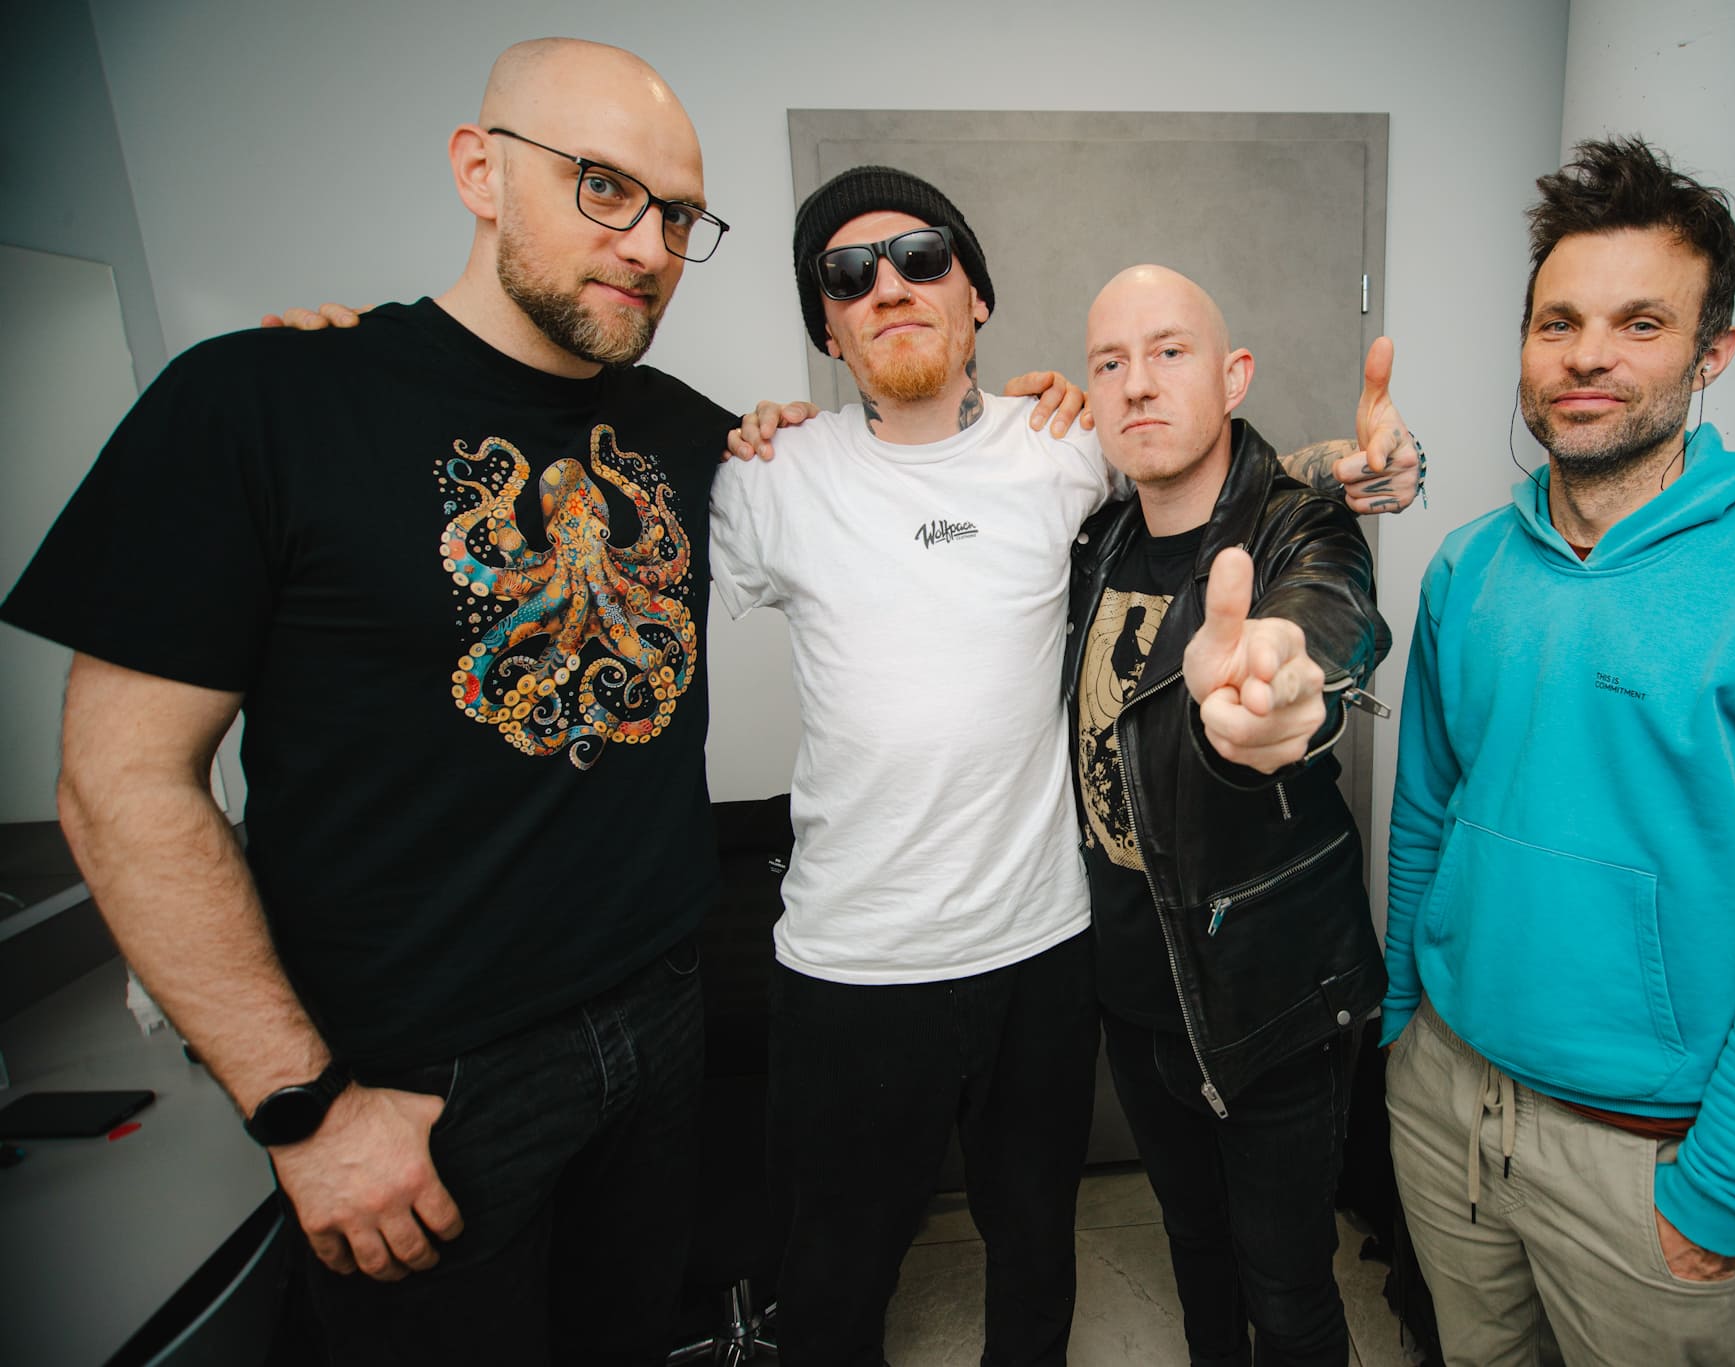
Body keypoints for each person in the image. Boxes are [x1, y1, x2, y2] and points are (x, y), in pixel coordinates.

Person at [3, 38, 738, 1364]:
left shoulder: (691, 432)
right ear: (478, 171)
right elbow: (119, 784)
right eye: (602, 186)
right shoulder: (257, 401)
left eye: (678, 215)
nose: (647, 245)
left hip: (665, 1008)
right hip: (422, 1084)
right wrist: (305, 1109)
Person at [712, 167, 1421, 1365]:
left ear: (975, 296)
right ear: (824, 325)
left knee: (1041, 1254)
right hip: (852, 960)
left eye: (921, 256)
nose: (888, 286)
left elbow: (1241, 498)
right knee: (832, 1276)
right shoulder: (767, 477)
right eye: (846, 273)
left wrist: (1353, 478)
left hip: (1042, 951)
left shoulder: (1060, 450)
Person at [1379, 137, 1735, 1366]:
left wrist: (1718, 1192)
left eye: (1639, 323)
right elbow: (1424, 812)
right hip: (1445, 1100)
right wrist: (1402, 1026)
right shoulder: (1467, 566)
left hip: (1645, 1163)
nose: (1586, 355)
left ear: (1709, 351)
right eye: (1557, 322)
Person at [1066, 264, 1392, 1365]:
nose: (1137, 383)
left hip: (1271, 995)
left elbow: (1326, 612)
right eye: (1110, 362)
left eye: (1169, 351)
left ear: (1233, 375)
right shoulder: (1093, 539)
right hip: (1132, 991)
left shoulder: (1300, 524)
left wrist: (1279, 675)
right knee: (1193, 1246)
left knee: (1286, 1287)